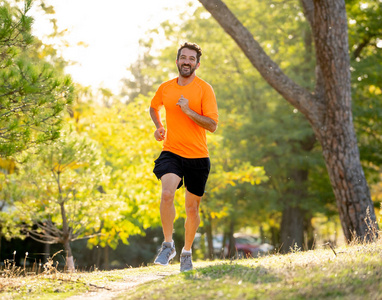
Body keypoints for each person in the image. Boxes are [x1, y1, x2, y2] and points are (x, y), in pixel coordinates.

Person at [149, 42, 218, 272]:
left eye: (191, 59)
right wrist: (159, 126)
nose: (186, 62)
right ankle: (168, 245)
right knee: (167, 193)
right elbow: (153, 106)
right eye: (183, 58)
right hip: (172, 151)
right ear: (177, 60)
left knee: (192, 209)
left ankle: (186, 251)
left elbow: (212, 125)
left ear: (197, 64)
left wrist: (188, 111)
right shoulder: (166, 87)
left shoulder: (204, 89)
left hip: (198, 156)